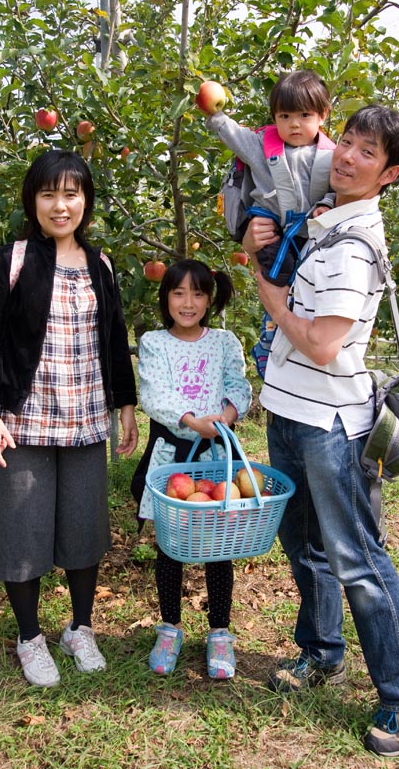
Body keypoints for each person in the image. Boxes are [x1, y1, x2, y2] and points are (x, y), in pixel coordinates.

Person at [243, 105, 399, 758]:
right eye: (345, 141)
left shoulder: (354, 244)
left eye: (365, 152)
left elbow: (322, 343)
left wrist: (263, 291)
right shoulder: (321, 216)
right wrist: (256, 235)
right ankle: (323, 652)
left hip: (329, 423)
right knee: (304, 548)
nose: (346, 156)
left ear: (390, 173)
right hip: (289, 412)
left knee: (356, 557)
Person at [0, 150, 138, 688]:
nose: (60, 205)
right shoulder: (14, 259)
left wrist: (126, 405)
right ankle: (30, 637)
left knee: (85, 529)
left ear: (85, 201)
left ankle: (80, 628)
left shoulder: (101, 263)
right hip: (24, 420)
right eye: (48, 194)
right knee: (21, 529)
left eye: (71, 194)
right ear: (33, 201)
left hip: (87, 417)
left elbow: (114, 340)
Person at [131, 259, 251, 679]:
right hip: (172, 459)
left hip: (217, 461)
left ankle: (220, 631)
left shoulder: (223, 341)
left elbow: (239, 385)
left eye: (198, 294)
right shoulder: (154, 342)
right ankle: (170, 627)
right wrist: (190, 420)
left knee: (220, 549)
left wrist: (228, 415)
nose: (188, 302)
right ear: (165, 298)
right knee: (170, 546)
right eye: (179, 293)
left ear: (209, 298)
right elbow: (154, 394)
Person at [200, 69, 336, 286]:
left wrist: (326, 204)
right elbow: (235, 135)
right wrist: (215, 115)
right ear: (274, 117)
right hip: (270, 230)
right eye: (285, 116)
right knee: (280, 274)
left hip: (310, 234)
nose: (294, 124)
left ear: (323, 115)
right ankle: (278, 313)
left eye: (304, 115)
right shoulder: (262, 147)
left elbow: (337, 189)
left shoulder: (331, 156)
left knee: (316, 277)